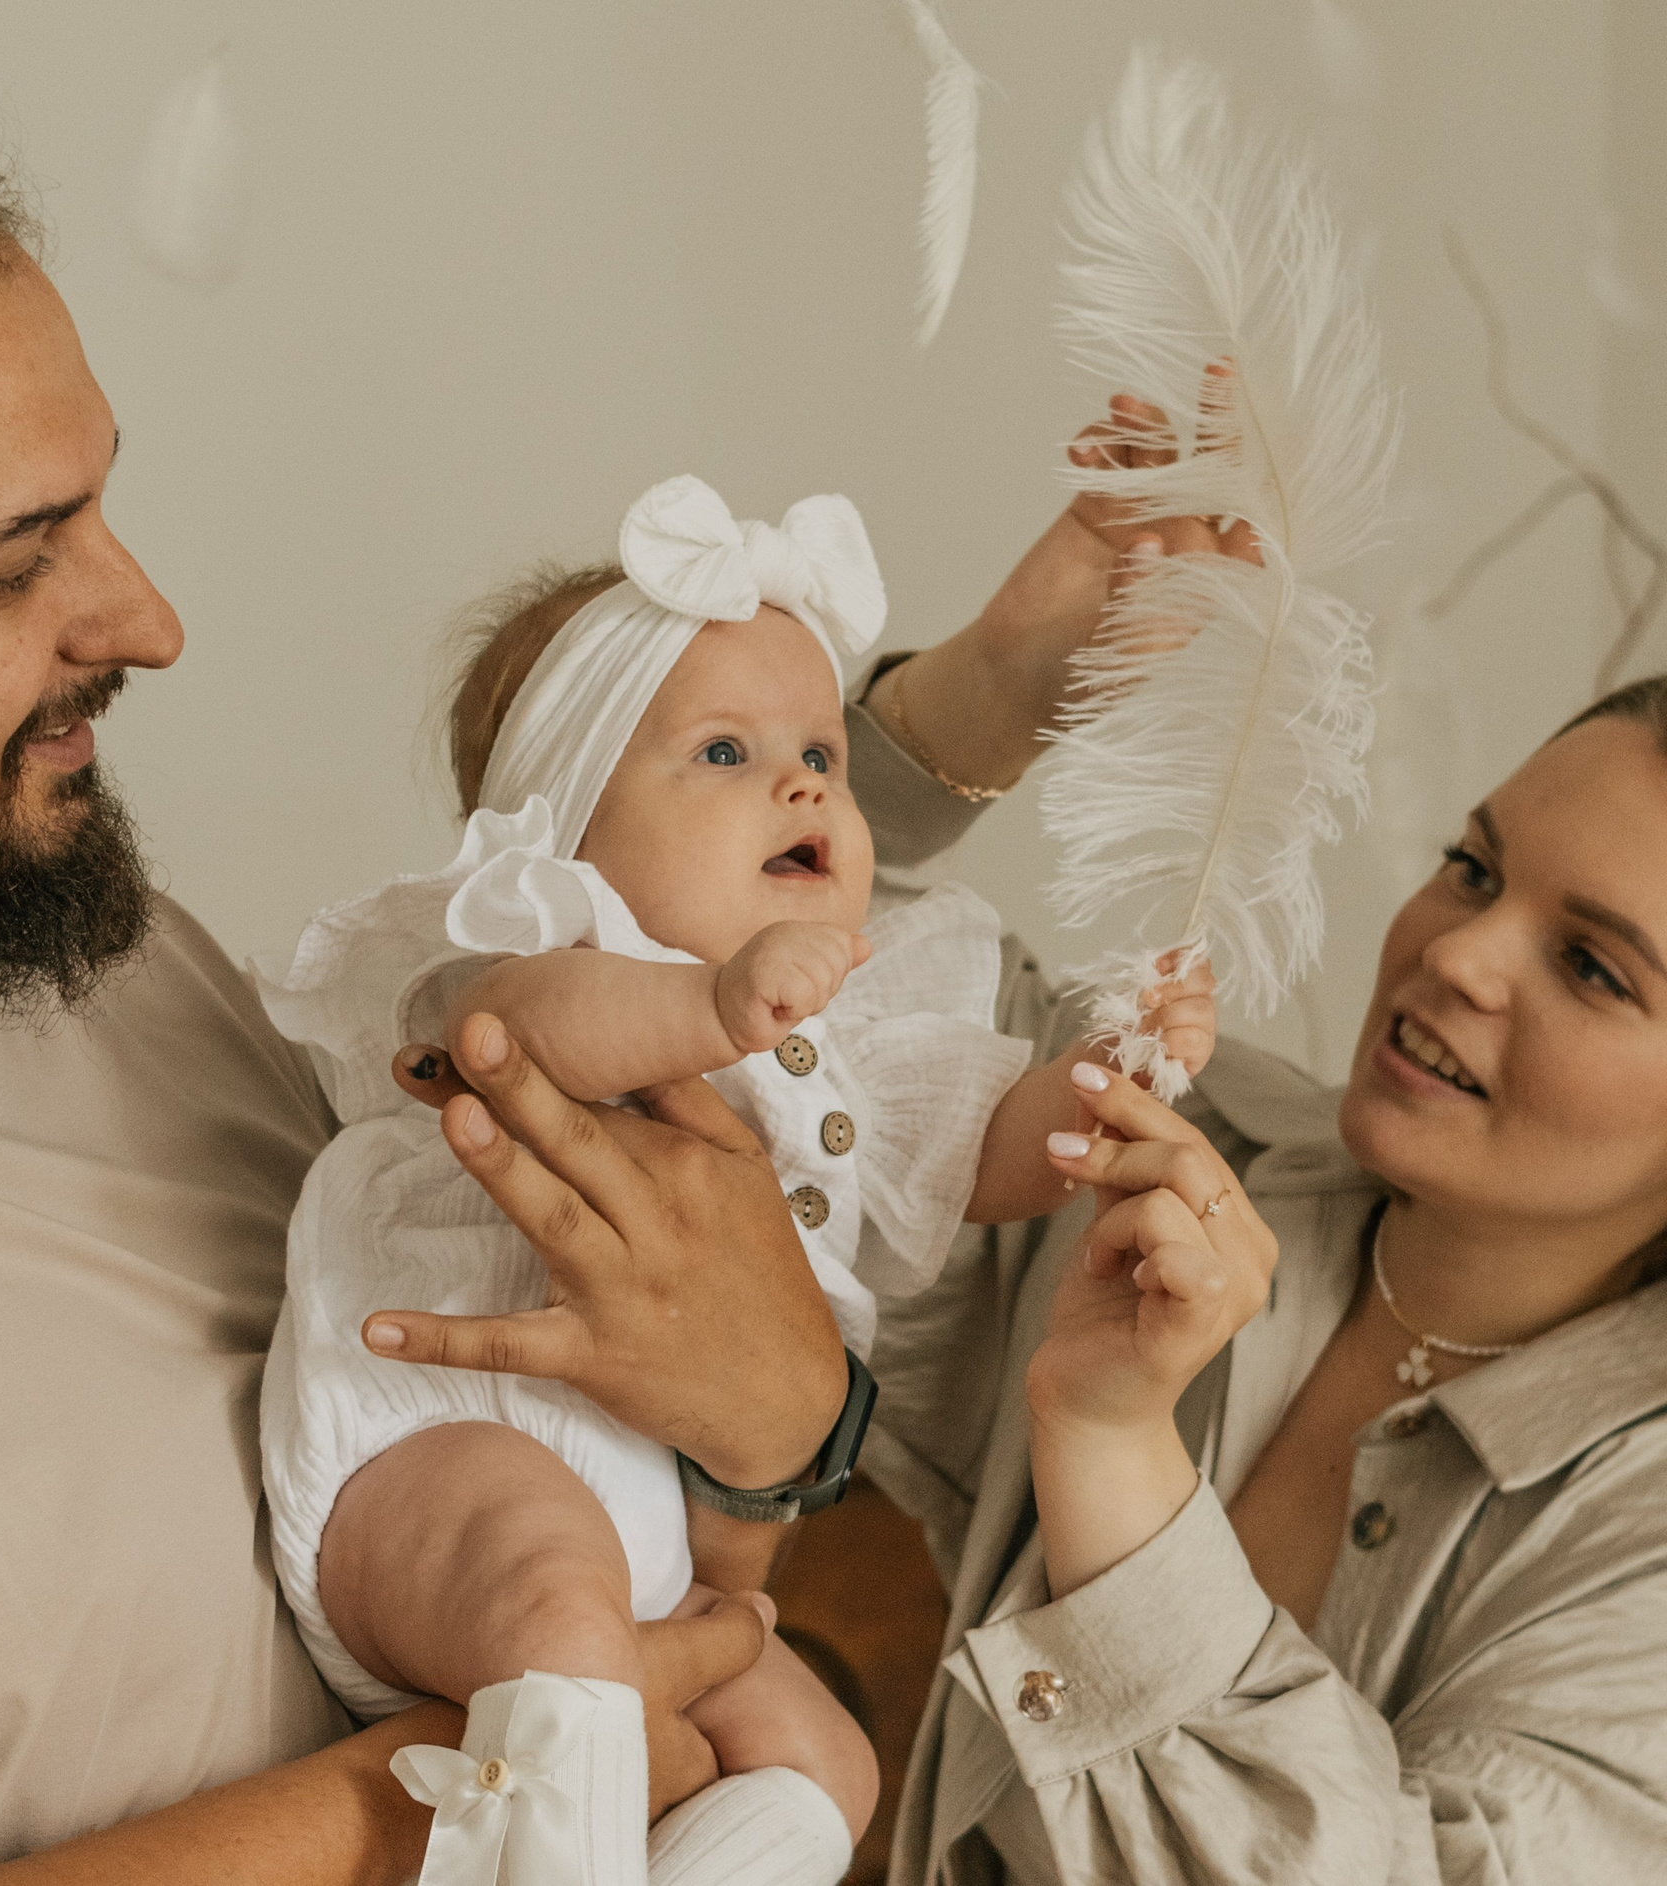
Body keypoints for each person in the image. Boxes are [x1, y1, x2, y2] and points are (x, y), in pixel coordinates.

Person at [0, 69, 1194, 1886]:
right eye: (22, 563)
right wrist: (520, 1761)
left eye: (101, 509)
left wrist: (776, 1434)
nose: (146, 620)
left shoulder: (98, 952)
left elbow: (618, 999)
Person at [817, 664, 1667, 1881]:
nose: (1458, 952)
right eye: (1473, 868)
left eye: (1591, 965)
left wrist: (1115, 1452)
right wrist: (1007, 657)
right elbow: (765, 979)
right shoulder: (1174, 1147)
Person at [255, 473, 1217, 1886]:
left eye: (822, 750)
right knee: (562, 1618)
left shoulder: (851, 1038)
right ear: (562, 825)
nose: (809, 780)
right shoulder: (536, 945)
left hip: (666, 1538)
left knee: (828, 1761)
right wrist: (712, 1006)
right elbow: (527, 1037)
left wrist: (1118, 1062)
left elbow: (996, 1156)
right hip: (443, 1449)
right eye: (723, 751)